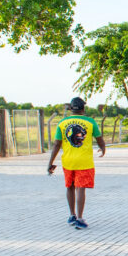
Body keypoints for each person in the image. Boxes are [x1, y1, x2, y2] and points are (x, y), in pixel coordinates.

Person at [47, 97, 106, 230]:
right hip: (84, 161)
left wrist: (50, 162)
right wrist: (103, 149)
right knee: (81, 188)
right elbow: (99, 139)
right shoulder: (90, 122)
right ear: (83, 108)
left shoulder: (62, 123)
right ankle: (80, 218)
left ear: (70, 108)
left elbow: (57, 144)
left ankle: (72, 215)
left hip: (68, 161)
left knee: (70, 187)